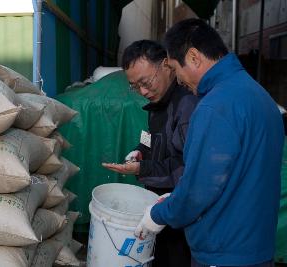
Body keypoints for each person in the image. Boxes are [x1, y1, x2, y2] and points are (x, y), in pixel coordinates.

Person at [134, 18, 284, 267]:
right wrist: (177, 195)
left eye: (175, 68)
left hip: (223, 251)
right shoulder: (261, 97)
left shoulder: (215, 106)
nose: (178, 79)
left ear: (193, 57)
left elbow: (199, 190)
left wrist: (158, 215)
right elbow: (238, 173)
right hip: (256, 248)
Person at [102, 40, 199, 267]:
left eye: (146, 82)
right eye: (135, 86)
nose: (143, 92)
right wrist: (139, 152)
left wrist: (142, 169)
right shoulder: (157, 106)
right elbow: (151, 139)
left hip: (181, 216)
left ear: (166, 65)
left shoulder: (186, 106)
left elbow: (188, 169)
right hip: (159, 212)